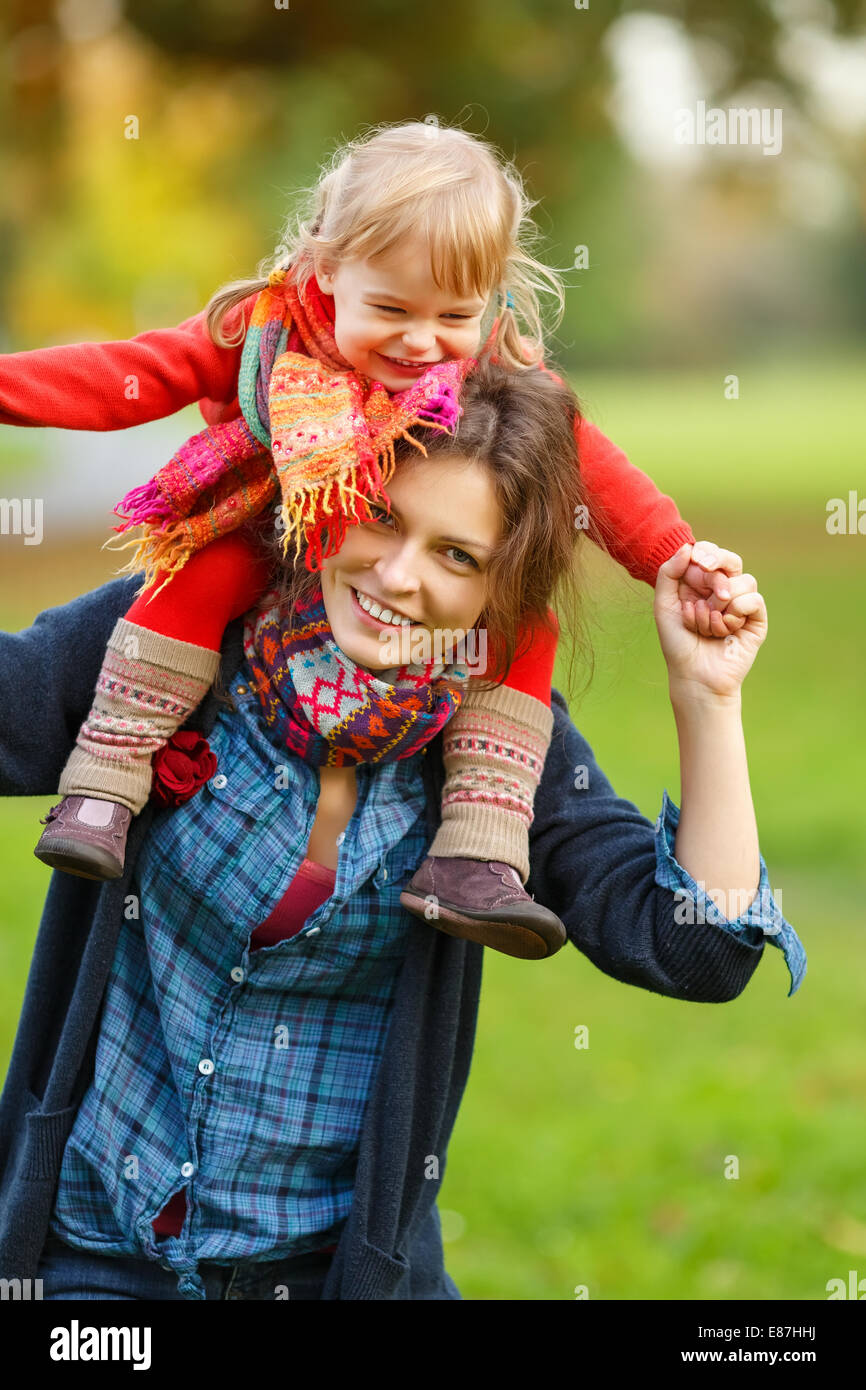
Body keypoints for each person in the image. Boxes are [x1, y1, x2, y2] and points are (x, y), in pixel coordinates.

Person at [0, 359, 805, 1301]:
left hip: (337, 1278)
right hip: (86, 1263)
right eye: (382, 515)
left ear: (504, 595)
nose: (398, 576)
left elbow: (696, 951)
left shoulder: (497, 755)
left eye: (457, 556)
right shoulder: (175, 645)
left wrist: (707, 700)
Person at [0, 117, 741, 956]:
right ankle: (106, 782)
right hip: (272, 531)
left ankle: (478, 855)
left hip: (416, 613)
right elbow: (126, 378)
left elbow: (602, 477)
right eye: (389, 308)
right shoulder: (269, 331)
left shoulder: (502, 369)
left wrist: (675, 559)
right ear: (324, 266)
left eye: (453, 315)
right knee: (197, 578)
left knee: (525, 627)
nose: (422, 342)